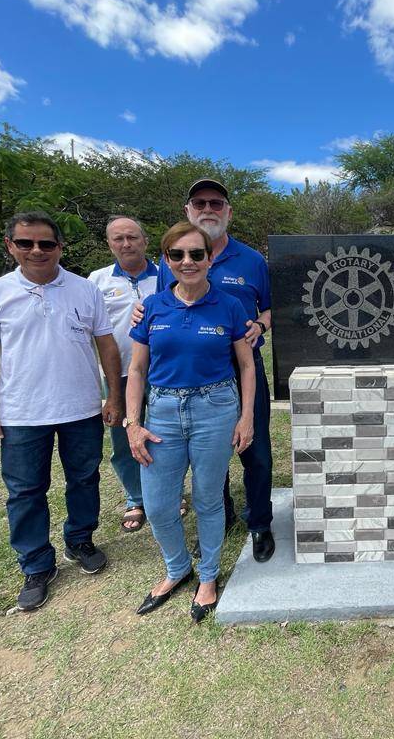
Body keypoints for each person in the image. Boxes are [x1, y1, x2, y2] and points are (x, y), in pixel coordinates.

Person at [0, 211, 122, 612]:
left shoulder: (85, 290)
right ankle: (36, 564)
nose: (37, 251)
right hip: (21, 413)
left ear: (59, 247)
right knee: (25, 491)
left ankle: (80, 540)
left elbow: (106, 345)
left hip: (80, 407)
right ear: (10, 246)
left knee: (84, 479)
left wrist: (114, 396)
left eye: (46, 244)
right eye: (26, 243)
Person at [126, 222, 256, 620]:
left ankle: (209, 575)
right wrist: (133, 423)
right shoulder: (152, 307)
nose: (188, 261)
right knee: (157, 503)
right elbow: (136, 370)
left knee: (208, 498)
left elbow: (247, 366)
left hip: (215, 407)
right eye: (178, 254)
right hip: (162, 412)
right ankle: (177, 567)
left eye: (196, 254)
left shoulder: (229, 305)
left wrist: (246, 417)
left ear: (209, 258)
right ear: (166, 260)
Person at [149, 178, 275, 562]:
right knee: (207, 453)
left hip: (244, 367)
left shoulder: (252, 260)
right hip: (198, 375)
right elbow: (163, 304)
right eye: (199, 203)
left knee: (256, 451)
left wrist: (261, 324)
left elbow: (272, 308)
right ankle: (220, 514)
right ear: (187, 211)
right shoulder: (173, 259)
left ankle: (260, 522)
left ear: (228, 212)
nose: (208, 209)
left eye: (216, 203)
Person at [88, 216, 168, 533]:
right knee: (124, 440)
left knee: (163, 438)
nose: (126, 244)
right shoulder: (96, 282)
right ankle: (136, 498)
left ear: (145, 241)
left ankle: (168, 493)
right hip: (118, 373)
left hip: (162, 373)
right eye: (118, 239)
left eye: (132, 237)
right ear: (109, 244)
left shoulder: (166, 275)